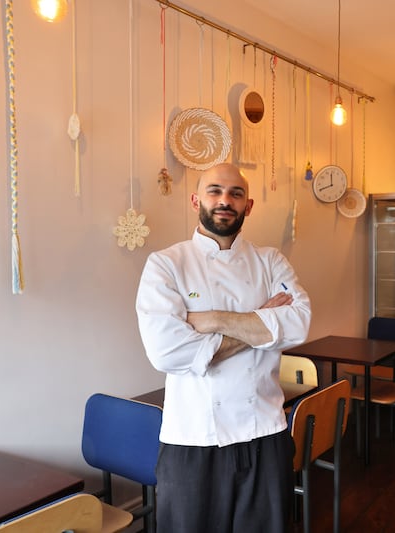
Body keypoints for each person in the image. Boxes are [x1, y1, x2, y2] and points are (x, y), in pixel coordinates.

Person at [135, 163, 311, 533]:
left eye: (235, 194)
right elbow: (167, 352)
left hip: (265, 432)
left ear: (248, 206)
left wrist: (212, 318)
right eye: (215, 191)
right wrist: (261, 320)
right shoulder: (167, 264)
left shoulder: (270, 260)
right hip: (193, 437)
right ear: (196, 200)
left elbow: (298, 325)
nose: (224, 201)